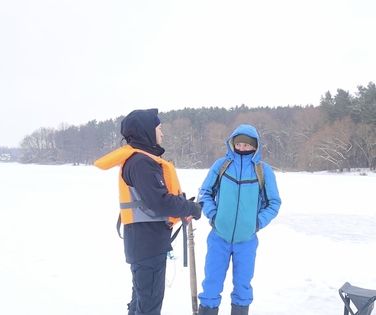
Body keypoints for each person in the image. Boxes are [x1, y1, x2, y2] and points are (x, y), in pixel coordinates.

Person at [94, 108, 203, 315]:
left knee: (141, 300)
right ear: (146, 131)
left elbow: (154, 200)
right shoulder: (142, 162)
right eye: (159, 128)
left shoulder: (139, 160)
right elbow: (160, 202)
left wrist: (183, 205)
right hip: (148, 245)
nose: (162, 134)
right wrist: (192, 208)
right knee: (149, 305)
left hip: (145, 242)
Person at [197, 124, 282, 315]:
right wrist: (214, 215)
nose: (242, 148)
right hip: (219, 237)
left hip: (247, 241)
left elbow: (274, 202)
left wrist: (257, 223)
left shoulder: (263, 170)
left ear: (255, 146)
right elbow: (204, 193)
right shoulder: (221, 165)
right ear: (232, 143)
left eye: (247, 145)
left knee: (243, 286)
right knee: (211, 283)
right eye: (239, 144)